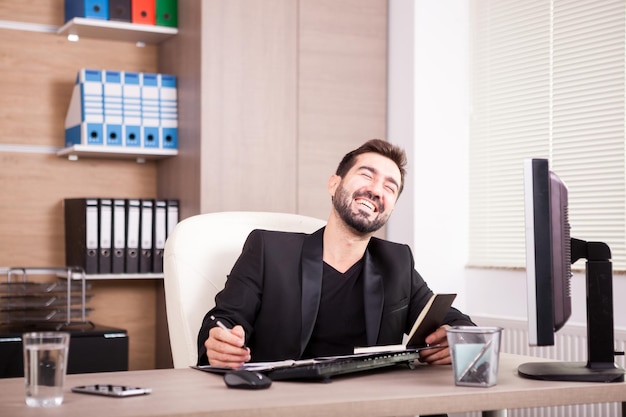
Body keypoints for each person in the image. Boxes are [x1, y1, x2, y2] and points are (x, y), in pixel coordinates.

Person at [197, 138, 474, 369]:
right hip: (285, 400)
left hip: (368, 404)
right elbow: (224, 319)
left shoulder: (397, 263)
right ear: (334, 184)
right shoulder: (269, 250)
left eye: (390, 187)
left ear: (390, 208)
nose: (376, 190)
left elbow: (457, 322)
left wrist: (456, 339)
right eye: (366, 175)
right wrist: (220, 341)